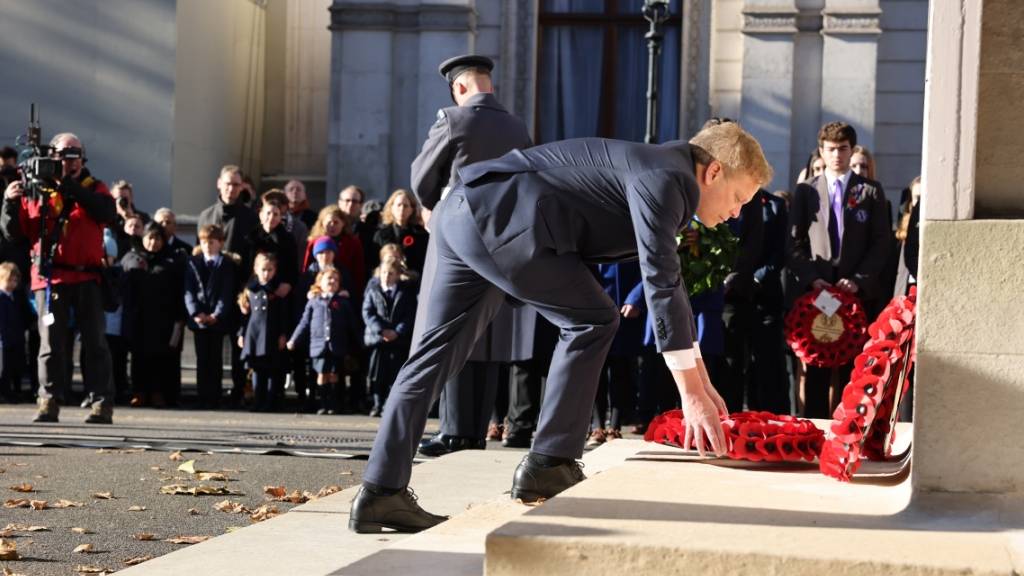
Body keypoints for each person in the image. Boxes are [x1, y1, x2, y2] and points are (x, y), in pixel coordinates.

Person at [349, 122, 772, 534]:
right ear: (713, 171)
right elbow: (660, 280)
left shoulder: (662, 167)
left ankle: (380, 490)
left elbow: (670, 281)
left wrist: (699, 378)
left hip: (465, 211)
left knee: (432, 357)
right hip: (506, 221)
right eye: (738, 198)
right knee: (594, 319)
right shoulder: (668, 178)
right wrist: (691, 394)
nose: (736, 213)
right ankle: (549, 463)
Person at [410, 54, 537, 459]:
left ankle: (454, 430)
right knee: (488, 334)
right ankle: (477, 428)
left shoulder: (453, 119)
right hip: (502, 241)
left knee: (450, 325)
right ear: (489, 85)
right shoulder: (517, 127)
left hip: (458, 235)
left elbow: (421, 177)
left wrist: (434, 203)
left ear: (459, 87)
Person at [1, 132, 117, 424]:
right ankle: (49, 401)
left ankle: (101, 402)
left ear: (82, 158)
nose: (69, 161)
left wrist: (69, 187)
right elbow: (15, 233)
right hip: (51, 278)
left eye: (75, 155)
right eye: (63, 155)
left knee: (95, 342)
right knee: (50, 343)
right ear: (51, 157)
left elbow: (106, 212)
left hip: (87, 277)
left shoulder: (95, 187)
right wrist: (9, 203)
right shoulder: (37, 191)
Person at [787, 121, 890, 418]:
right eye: (830, 150)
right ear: (822, 150)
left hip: (853, 294)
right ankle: (815, 431)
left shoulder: (870, 191)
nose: (836, 156)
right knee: (816, 365)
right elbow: (794, 243)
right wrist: (812, 278)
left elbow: (881, 242)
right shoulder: (806, 191)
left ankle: (845, 431)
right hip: (817, 292)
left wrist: (858, 280)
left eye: (842, 149)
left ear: (851, 150)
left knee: (850, 369)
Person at [198, 165, 259, 407]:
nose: (231, 189)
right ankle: (209, 394)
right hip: (210, 294)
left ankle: (237, 392)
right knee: (210, 349)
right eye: (227, 184)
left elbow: (254, 257)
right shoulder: (206, 216)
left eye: (236, 184)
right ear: (218, 184)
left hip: (237, 291)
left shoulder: (250, 218)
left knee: (237, 347)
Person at [121, 222, 184, 407]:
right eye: (150, 237)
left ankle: (157, 393)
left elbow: (178, 289)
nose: (153, 242)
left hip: (163, 317)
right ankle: (138, 391)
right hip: (139, 317)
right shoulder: (133, 258)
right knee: (139, 357)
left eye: (158, 238)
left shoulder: (171, 261)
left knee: (159, 357)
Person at [288, 267, 360, 415]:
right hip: (318, 346)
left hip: (337, 345)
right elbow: (304, 322)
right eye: (329, 279)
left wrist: (361, 339)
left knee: (334, 374)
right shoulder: (314, 302)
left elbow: (353, 324)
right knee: (321, 374)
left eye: (336, 279)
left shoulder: (343, 302)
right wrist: (293, 339)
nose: (332, 281)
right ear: (320, 282)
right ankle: (323, 403)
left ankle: (334, 404)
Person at [185, 224, 238, 409]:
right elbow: (189, 291)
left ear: (221, 243)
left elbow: (227, 292)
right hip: (199, 318)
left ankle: (215, 395)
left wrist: (217, 314)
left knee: (215, 359)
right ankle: (202, 395)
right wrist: (196, 313)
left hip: (217, 320)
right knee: (202, 359)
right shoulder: (193, 262)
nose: (208, 245)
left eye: (212, 242)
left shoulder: (226, 264)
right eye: (204, 242)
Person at [363, 245, 418, 417]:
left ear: (397, 275)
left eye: (391, 273)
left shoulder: (405, 291)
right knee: (376, 375)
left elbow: (409, 315)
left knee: (394, 374)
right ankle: (377, 404)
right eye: (384, 273)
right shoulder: (373, 289)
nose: (387, 276)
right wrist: (381, 330)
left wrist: (397, 332)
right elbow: (368, 312)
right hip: (379, 340)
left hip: (397, 341)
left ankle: (389, 405)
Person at [237, 252, 289, 412]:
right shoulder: (250, 290)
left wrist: (283, 334)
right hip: (255, 334)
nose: (267, 273)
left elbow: (284, 314)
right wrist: (241, 333)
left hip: (272, 334)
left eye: (270, 270)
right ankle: (258, 401)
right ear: (256, 269)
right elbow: (245, 316)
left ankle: (271, 401)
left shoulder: (279, 290)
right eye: (263, 269)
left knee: (273, 369)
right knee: (257, 370)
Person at [154, 207, 190, 403]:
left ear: (175, 226)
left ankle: (173, 394)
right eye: (161, 222)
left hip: (176, 309)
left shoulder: (184, 250)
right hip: (156, 311)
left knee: (173, 351)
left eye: (169, 222)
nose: (164, 226)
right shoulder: (152, 249)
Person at [372, 189, 429, 274]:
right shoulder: (380, 235)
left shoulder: (421, 234)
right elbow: (373, 263)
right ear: (391, 208)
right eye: (399, 205)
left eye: (405, 206)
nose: (402, 209)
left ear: (412, 209)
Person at [0, 262, 28, 403]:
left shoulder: (16, 297)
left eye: (15, 280)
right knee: (3, 369)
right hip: (3, 339)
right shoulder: (1, 297)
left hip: (15, 338)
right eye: (9, 280)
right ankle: (4, 393)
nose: (12, 284)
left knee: (14, 367)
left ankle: (12, 391)